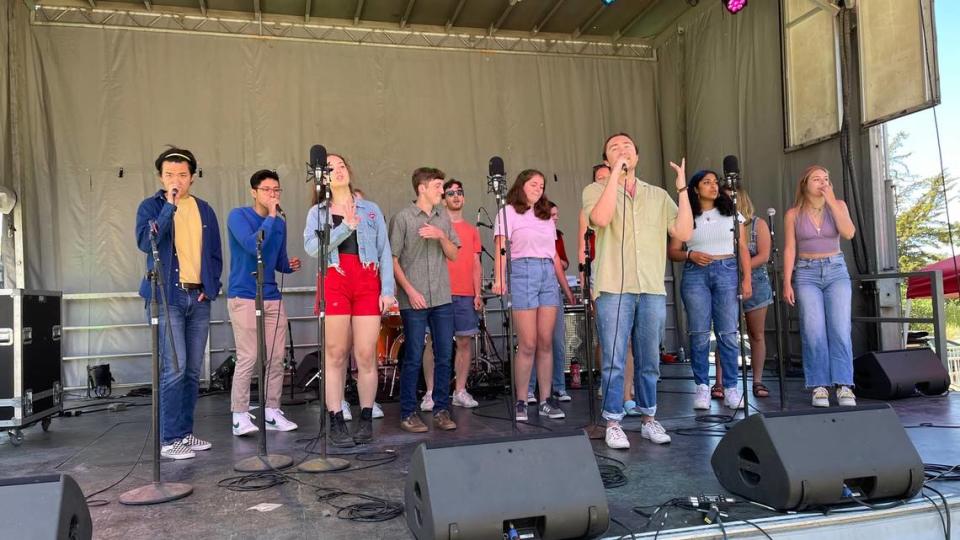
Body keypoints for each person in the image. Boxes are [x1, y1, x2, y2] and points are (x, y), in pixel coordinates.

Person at [582, 133, 693, 450]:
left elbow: (683, 232)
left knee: (649, 359)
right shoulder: (596, 190)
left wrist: (682, 188)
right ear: (606, 159)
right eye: (614, 148)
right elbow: (599, 219)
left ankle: (648, 418)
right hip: (614, 287)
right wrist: (616, 175)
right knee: (615, 359)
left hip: (650, 287)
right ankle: (613, 422)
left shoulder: (657, 195)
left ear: (638, 156)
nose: (622, 150)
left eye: (627, 146)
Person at [135, 147, 222, 460]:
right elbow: (147, 242)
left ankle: (185, 433)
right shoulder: (151, 206)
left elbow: (214, 254)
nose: (176, 180)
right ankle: (169, 439)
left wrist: (212, 288)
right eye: (170, 174)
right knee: (174, 369)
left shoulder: (205, 210)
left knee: (192, 371)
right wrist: (168, 208)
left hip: (197, 297)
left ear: (193, 177)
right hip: (166, 297)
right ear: (161, 177)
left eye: (182, 175)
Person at [304, 154, 395, 446]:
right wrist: (346, 227)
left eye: (341, 165)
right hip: (337, 280)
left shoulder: (370, 209)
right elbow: (312, 249)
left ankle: (366, 417)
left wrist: (388, 290)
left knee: (367, 354)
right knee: (336, 353)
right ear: (323, 177)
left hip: (368, 280)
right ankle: (335, 418)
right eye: (330, 168)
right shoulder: (317, 213)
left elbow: (384, 250)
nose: (338, 171)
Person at [493, 169, 575, 422]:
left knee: (545, 341)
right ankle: (521, 400)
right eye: (533, 184)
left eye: (542, 185)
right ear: (521, 185)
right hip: (522, 270)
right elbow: (500, 247)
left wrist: (565, 287)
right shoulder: (507, 212)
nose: (538, 188)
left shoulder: (545, 216)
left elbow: (553, 255)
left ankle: (545, 400)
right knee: (527, 342)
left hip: (546, 273)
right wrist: (499, 279)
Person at [667, 170, 751, 411]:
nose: (713, 186)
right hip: (695, 273)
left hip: (727, 269)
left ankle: (731, 388)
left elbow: (743, 247)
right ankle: (702, 387)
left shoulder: (732, 213)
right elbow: (673, 251)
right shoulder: (685, 215)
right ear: (695, 189)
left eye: (716, 182)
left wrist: (747, 280)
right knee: (699, 333)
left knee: (727, 332)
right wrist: (690, 254)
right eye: (707, 182)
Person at [227, 170, 301, 436]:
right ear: (254, 192)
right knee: (249, 356)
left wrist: (288, 266)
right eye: (268, 190)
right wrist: (270, 217)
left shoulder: (279, 224)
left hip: (271, 293)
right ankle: (240, 414)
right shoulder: (238, 216)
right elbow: (253, 245)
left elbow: (277, 259)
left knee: (276, 356)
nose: (273, 195)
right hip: (244, 293)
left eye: (277, 190)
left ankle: (271, 410)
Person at [390, 167, 460, 433]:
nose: (442, 191)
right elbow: (393, 260)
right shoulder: (403, 218)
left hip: (442, 296)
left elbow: (454, 254)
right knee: (413, 357)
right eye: (438, 186)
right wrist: (410, 291)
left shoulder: (443, 218)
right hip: (415, 299)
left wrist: (441, 236)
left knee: (445, 354)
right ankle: (408, 412)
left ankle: (442, 409)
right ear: (422, 188)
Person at [783, 165, 857, 408]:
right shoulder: (793, 214)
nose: (822, 182)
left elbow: (849, 233)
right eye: (816, 179)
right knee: (813, 329)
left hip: (836, 269)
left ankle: (844, 385)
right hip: (806, 272)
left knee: (840, 327)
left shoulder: (839, 205)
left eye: (826, 178)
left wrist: (832, 201)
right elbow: (790, 249)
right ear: (805, 184)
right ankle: (819, 386)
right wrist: (787, 281)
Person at [421, 179, 482, 410]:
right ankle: (430, 393)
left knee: (465, 342)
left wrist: (478, 293)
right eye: (450, 193)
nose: (456, 196)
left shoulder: (472, 230)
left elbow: (476, 263)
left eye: (459, 192)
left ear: (463, 198)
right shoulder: (434, 225)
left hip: (465, 293)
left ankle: (460, 390)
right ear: (443, 198)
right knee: (433, 343)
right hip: (438, 292)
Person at [714, 188, 772, 399]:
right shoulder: (718, 225)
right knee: (726, 333)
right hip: (727, 282)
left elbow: (764, 255)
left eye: (731, 197)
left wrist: (742, 268)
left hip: (755, 282)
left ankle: (757, 380)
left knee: (756, 334)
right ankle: (720, 382)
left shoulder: (758, 224)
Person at [528, 202, 574, 403]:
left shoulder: (557, 235)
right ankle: (530, 389)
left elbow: (562, 262)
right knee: (531, 342)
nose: (554, 218)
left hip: (552, 288)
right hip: (531, 289)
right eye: (551, 214)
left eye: (556, 214)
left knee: (556, 341)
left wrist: (567, 290)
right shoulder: (529, 233)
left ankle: (559, 387)